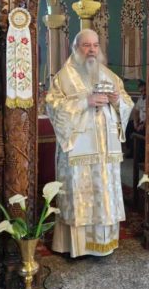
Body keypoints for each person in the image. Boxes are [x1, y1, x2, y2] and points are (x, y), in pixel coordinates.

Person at [46, 29, 133, 258]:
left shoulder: (108, 75)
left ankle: (104, 243)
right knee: (80, 197)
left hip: (105, 153)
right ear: (76, 48)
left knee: (104, 194)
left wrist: (117, 101)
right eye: (86, 45)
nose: (92, 50)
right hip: (78, 153)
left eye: (95, 45)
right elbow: (53, 107)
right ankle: (78, 247)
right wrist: (86, 101)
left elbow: (127, 102)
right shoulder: (63, 77)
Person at [124, 80, 146, 159]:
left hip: (147, 123)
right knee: (129, 126)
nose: (143, 93)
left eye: (144, 90)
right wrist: (135, 123)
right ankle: (130, 150)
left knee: (139, 132)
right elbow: (136, 111)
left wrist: (143, 124)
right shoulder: (141, 99)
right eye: (141, 91)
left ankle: (139, 155)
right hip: (140, 121)